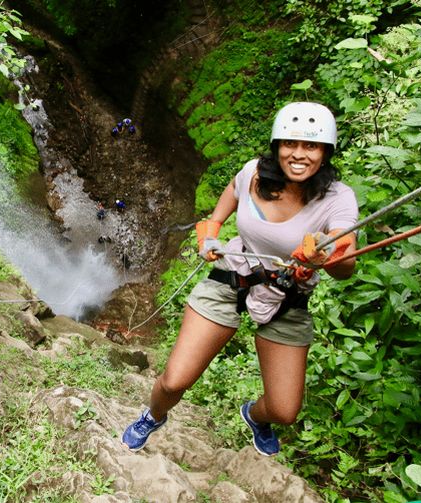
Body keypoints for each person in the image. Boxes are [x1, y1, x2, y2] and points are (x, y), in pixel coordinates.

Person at [121, 102, 358, 456]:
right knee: (174, 381)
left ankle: (255, 416)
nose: (298, 154)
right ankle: (153, 415)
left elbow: (346, 263)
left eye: (310, 146)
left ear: (325, 152)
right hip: (235, 275)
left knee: (284, 411)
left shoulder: (337, 199)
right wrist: (212, 226)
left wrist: (327, 258)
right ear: (277, 146)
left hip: (288, 294)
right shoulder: (255, 174)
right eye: (289, 144)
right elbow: (234, 188)